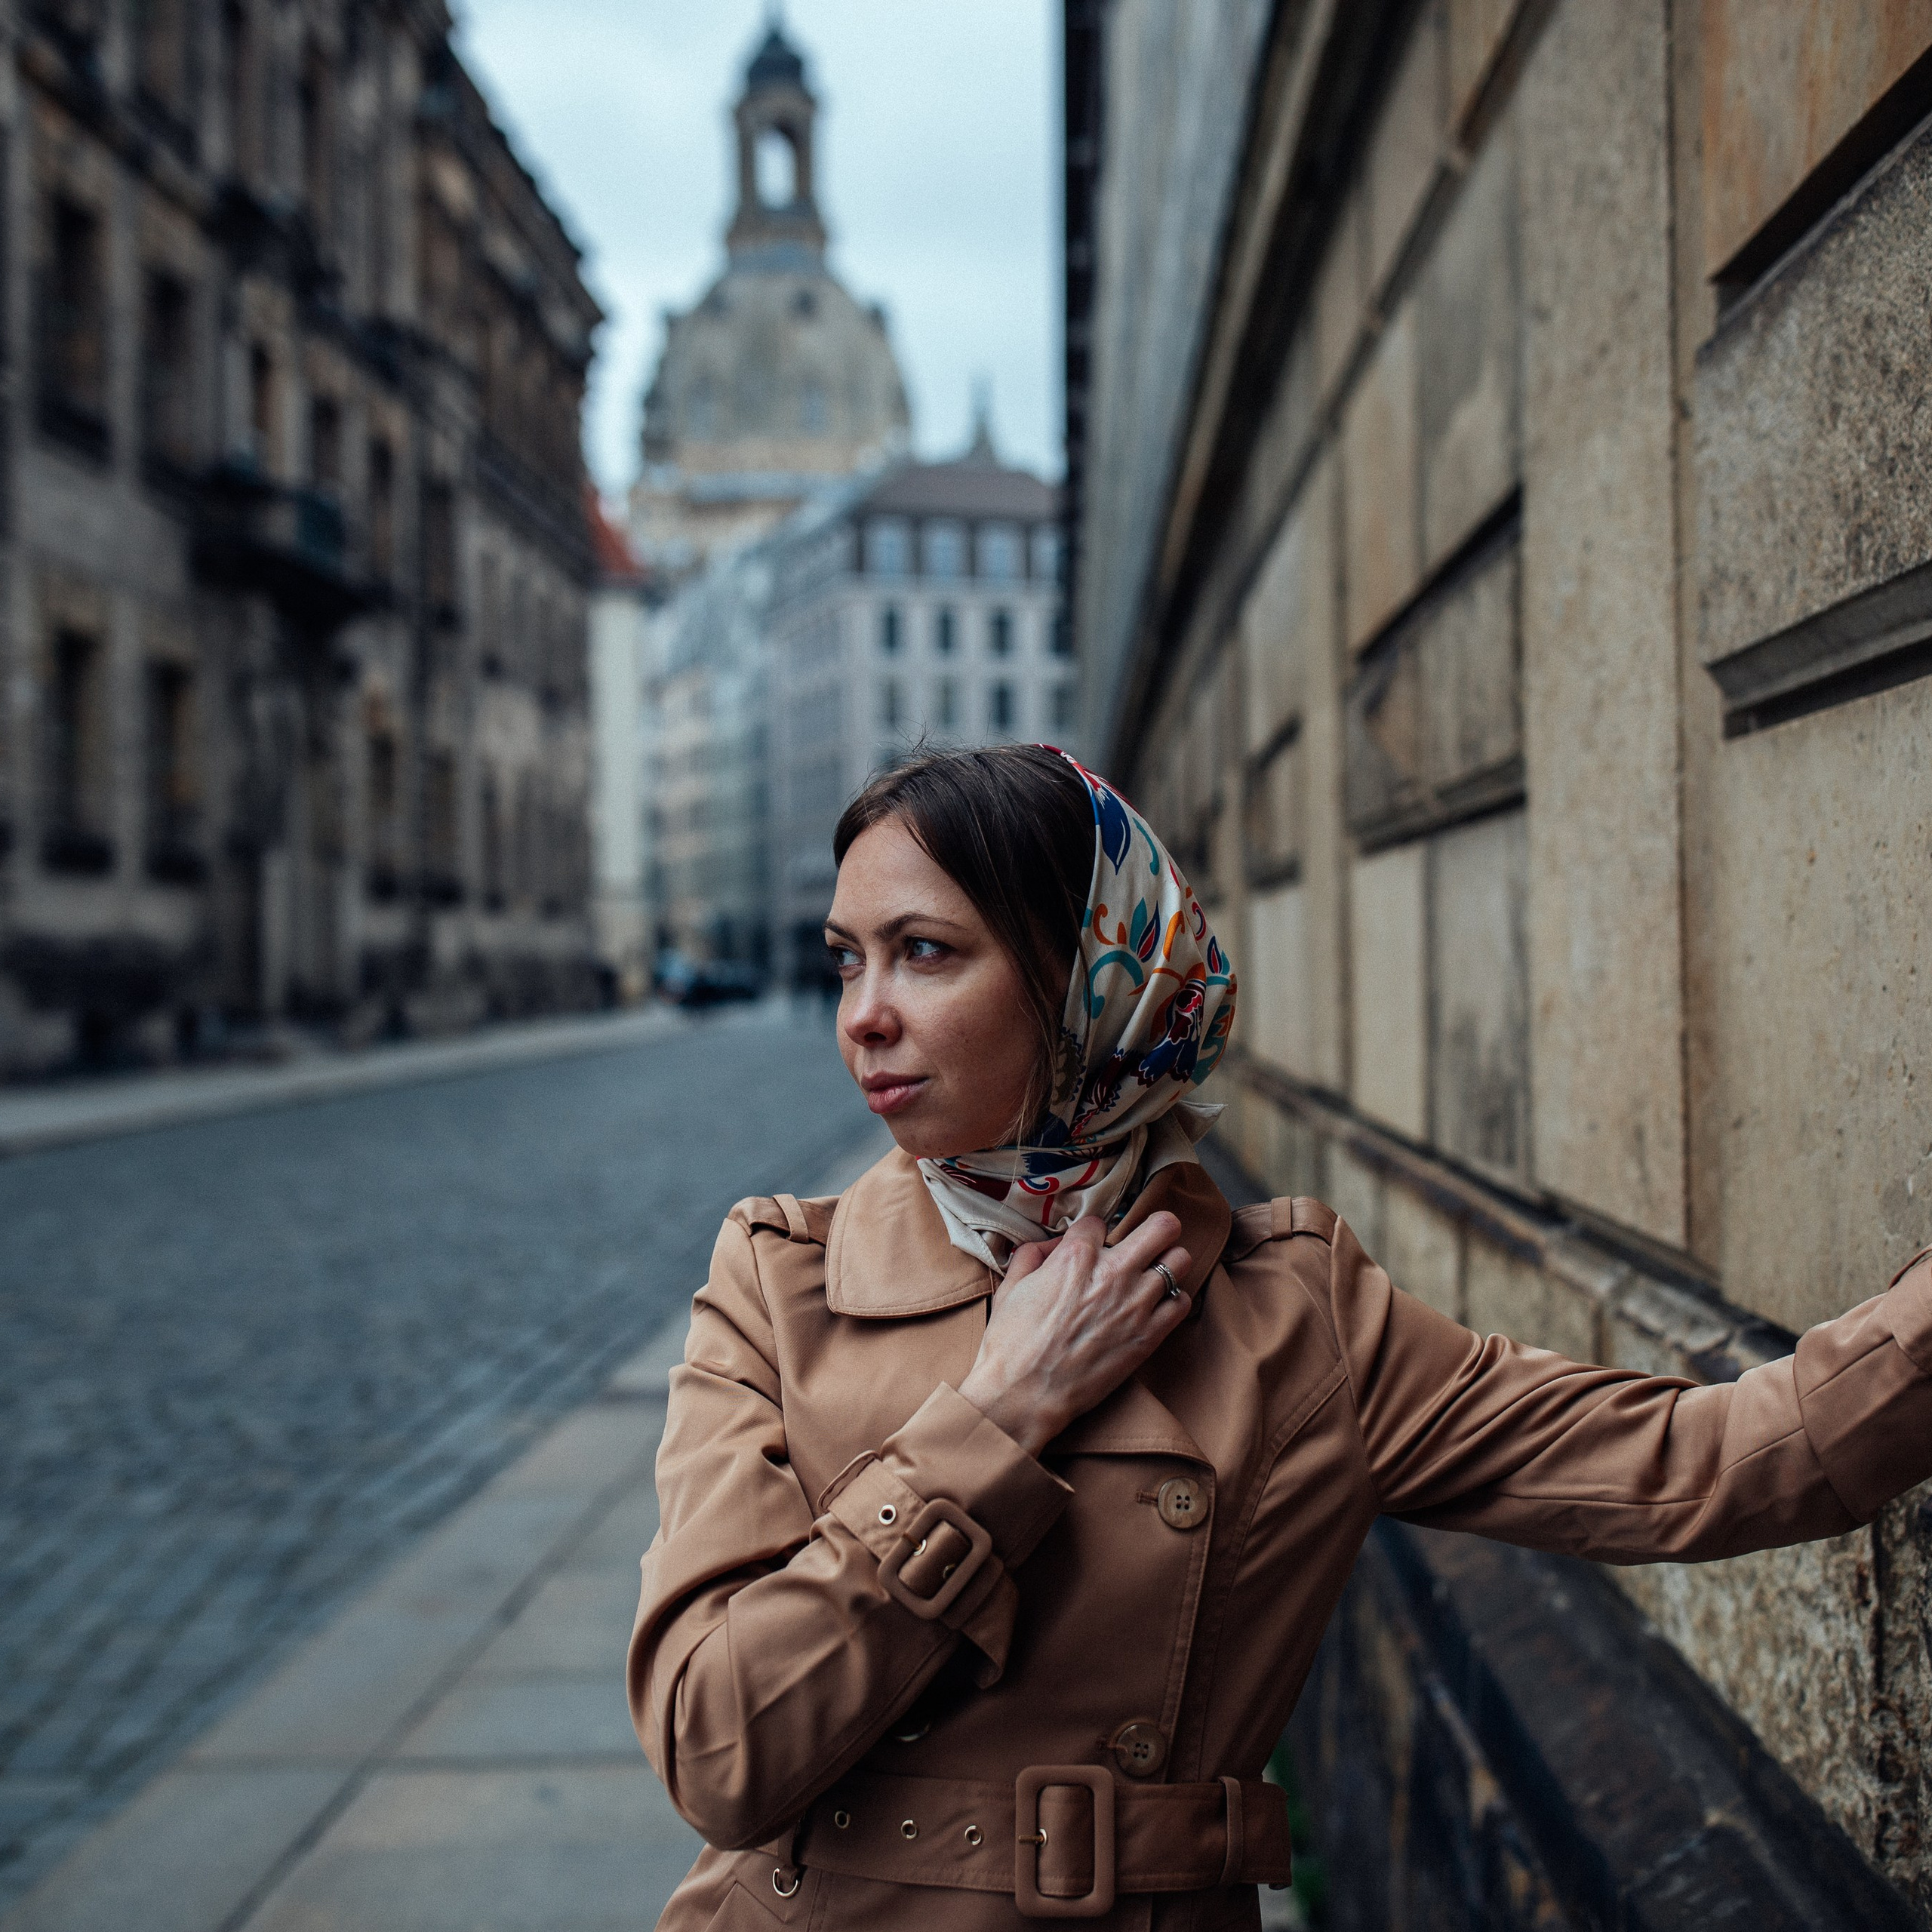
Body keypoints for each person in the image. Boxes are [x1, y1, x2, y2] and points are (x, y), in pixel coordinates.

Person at [629, 743, 1932, 1930]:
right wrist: (998, 1418)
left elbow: (1715, 1460)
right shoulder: (778, 1282)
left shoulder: (1288, 1319)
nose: (860, 1012)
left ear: (1090, 979)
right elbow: (714, 1749)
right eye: (846, 956)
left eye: (924, 951)